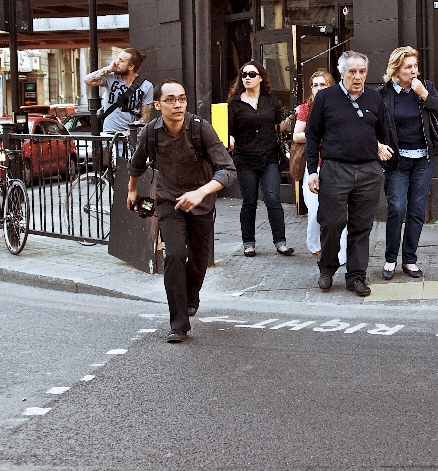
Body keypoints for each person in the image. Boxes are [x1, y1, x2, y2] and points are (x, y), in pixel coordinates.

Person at [127, 80, 236, 343]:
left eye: (182, 99)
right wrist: (131, 190)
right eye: (171, 99)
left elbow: (228, 170)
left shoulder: (201, 129)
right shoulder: (150, 133)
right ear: (157, 105)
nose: (178, 104)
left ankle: (192, 293)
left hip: (201, 202)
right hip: (168, 201)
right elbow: (137, 164)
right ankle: (178, 324)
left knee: (199, 260)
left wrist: (201, 192)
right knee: (175, 255)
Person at [305, 51, 391, 297]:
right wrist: (312, 171)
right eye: (352, 71)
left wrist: (380, 154)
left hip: (368, 172)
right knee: (331, 222)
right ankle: (327, 269)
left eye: (362, 71)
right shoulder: (326, 98)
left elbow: (383, 132)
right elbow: (312, 136)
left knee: (361, 226)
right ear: (342, 73)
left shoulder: (375, 99)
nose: (358, 76)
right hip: (334, 169)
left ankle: (356, 276)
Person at [378, 47, 438, 279]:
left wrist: (424, 95)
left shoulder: (425, 87)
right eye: (408, 67)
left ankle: (409, 260)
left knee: (417, 210)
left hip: (423, 159)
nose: (413, 71)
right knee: (397, 208)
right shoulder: (383, 93)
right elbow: (372, 125)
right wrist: (378, 146)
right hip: (398, 162)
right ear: (396, 70)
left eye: (415, 66)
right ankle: (390, 258)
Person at [226, 61, 295, 257]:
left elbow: (276, 128)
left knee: (273, 198)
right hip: (245, 157)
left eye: (251, 74)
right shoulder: (234, 104)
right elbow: (229, 131)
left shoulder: (271, 100)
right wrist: (230, 140)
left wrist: (290, 119)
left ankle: (280, 242)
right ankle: (249, 243)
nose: (247, 77)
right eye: (244, 74)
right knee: (249, 201)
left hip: (269, 156)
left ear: (260, 78)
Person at [293, 70, 347, 261]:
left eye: (322, 84)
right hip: (314, 164)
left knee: (339, 211)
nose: (318, 88)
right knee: (315, 210)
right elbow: (297, 135)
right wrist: (317, 136)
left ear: (331, 86)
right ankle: (314, 244)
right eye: (315, 85)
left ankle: (341, 252)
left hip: (336, 164)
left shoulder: (340, 104)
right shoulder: (307, 108)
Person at [83, 48, 154, 134]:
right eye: (118, 59)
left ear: (131, 66)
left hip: (131, 138)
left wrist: (129, 133)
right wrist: (108, 69)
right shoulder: (110, 77)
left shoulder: (146, 86)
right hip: (109, 134)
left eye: (121, 61)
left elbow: (145, 118)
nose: (116, 62)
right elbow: (88, 80)